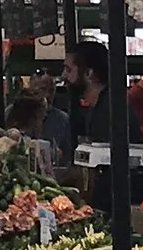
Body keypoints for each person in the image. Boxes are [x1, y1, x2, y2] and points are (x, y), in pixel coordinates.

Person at [39, 41, 111, 169]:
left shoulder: (110, 112)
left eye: (68, 69)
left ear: (89, 73)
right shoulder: (97, 107)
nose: (63, 75)